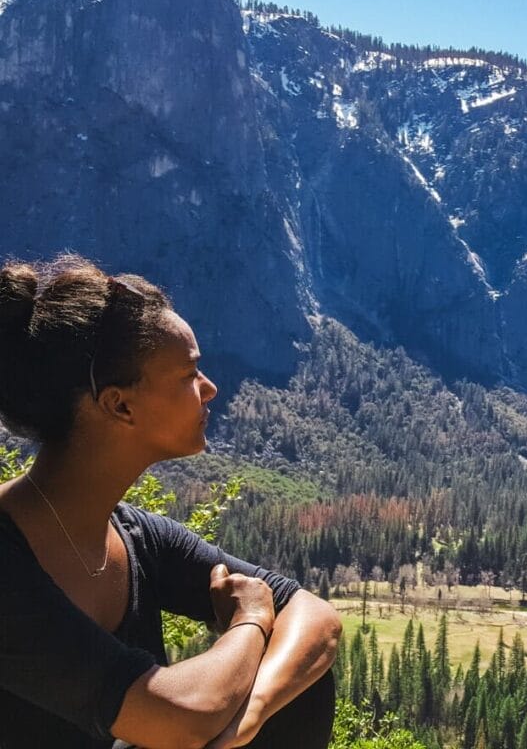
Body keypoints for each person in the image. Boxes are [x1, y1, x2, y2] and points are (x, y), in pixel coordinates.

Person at [0, 255, 341, 748]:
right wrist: (249, 620)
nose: (210, 389)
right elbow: (178, 716)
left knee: (300, 689)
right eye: (188, 374)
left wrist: (251, 714)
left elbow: (316, 617)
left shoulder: (134, 536)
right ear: (120, 404)